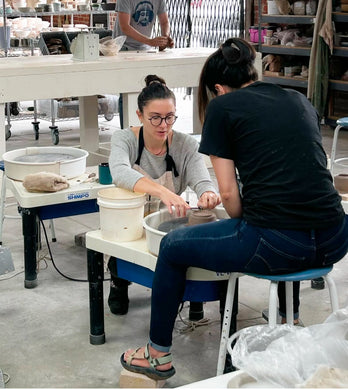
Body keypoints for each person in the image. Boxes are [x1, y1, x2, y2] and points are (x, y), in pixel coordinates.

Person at [119, 37, 348, 380]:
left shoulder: (223, 109)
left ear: (218, 88)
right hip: (336, 237)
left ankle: (157, 356)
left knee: (172, 246)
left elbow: (228, 196)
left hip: (279, 243)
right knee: (289, 220)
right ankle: (291, 322)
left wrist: (238, 215)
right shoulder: (297, 99)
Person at [108, 74, 221, 315]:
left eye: (170, 118)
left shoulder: (185, 144)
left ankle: (195, 298)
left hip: (166, 222)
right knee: (122, 256)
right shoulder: (124, 139)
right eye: (155, 118)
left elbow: (201, 179)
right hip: (130, 221)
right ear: (139, 115)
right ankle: (118, 280)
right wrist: (162, 191)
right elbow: (119, 173)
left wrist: (209, 194)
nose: (163, 125)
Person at [113, 0, 174, 128]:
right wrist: (150, 41)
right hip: (123, 48)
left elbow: (164, 21)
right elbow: (125, 26)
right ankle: (128, 129)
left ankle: (147, 127)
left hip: (145, 49)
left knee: (145, 88)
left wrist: (164, 39)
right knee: (127, 90)